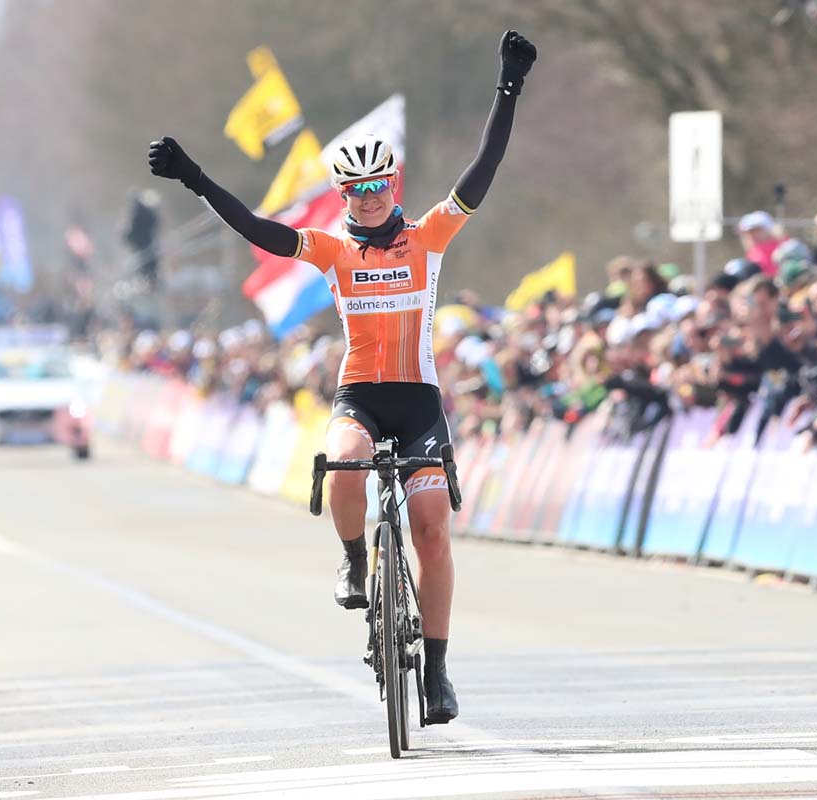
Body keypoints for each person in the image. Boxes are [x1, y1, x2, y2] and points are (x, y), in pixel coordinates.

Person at [147, 30, 538, 724]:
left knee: (431, 529)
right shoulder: (330, 250)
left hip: (418, 403)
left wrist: (507, 86)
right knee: (347, 464)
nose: (365, 199)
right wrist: (197, 178)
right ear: (342, 196)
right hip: (360, 396)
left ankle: (440, 673)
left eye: (375, 188)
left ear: (393, 186)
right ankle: (356, 560)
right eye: (353, 191)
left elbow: (485, 166)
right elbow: (259, 230)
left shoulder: (429, 235)